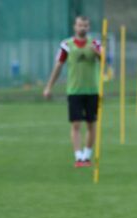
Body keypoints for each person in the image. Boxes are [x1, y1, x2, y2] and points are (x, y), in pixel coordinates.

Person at [43, 16, 102, 168]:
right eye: (80, 25)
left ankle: (87, 156)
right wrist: (49, 86)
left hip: (92, 90)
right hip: (74, 91)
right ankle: (78, 157)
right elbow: (58, 65)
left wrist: (98, 53)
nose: (83, 28)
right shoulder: (66, 45)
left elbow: (105, 60)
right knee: (76, 124)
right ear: (75, 27)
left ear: (88, 27)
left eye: (86, 25)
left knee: (91, 124)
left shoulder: (95, 43)